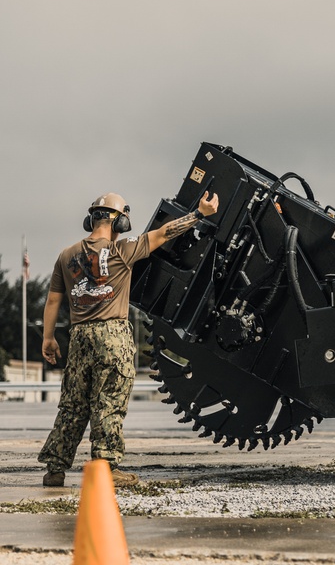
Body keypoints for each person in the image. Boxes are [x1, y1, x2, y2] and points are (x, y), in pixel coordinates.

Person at [38, 191, 219, 487]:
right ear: (118, 221)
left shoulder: (66, 255)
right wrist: (199, 215)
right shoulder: (124, 249)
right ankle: (105, 467)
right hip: (112, 335)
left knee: (72, 404)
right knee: (109, 401)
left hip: (79, 336)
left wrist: (48, 338)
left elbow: (53, 301)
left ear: (91, 218)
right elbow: (164, 233)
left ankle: (55, 469)